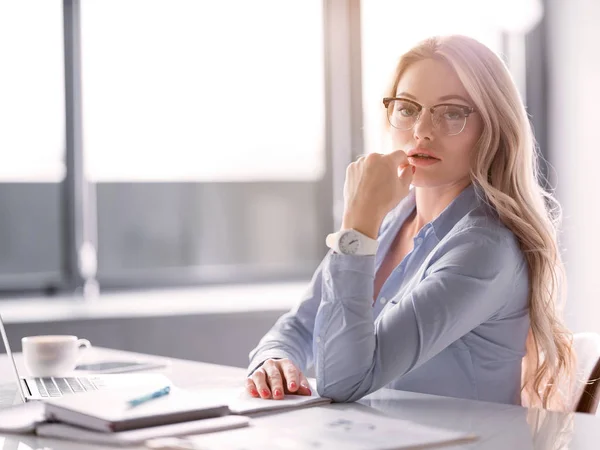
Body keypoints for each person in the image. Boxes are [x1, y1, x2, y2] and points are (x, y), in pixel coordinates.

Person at [246, 35, 574, 410]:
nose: (422, 130)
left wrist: (358, 221)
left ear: (493, 129)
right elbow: (301, 327)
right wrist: (272, 360)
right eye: (407, 108)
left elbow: (344, 381)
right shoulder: (392, 222)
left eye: (451, 112)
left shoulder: (485, 247)